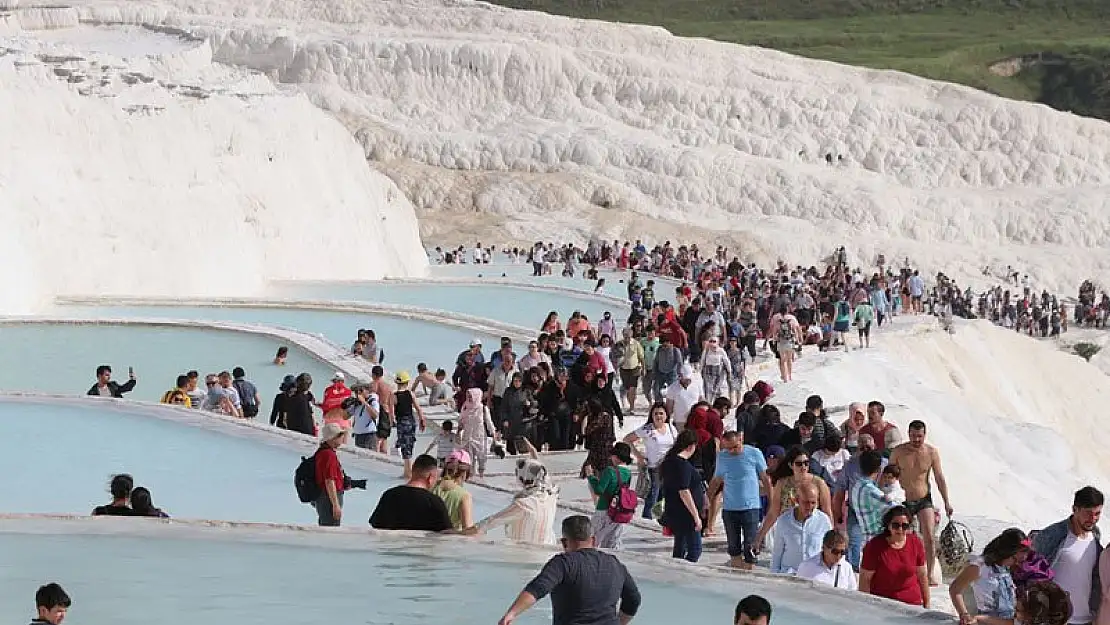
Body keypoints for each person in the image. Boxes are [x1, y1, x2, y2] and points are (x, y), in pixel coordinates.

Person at [497, 515, 641, 625]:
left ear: (564, 542)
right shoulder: (614, 564)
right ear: (594, 540)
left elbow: (538, 588)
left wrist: (511, 614)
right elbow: (634, 600)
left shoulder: (563, 563)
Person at [889, 419, 954, 585]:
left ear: (924, 435)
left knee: (930, 537)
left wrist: (947, 501)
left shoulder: (931, 452)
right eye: (913, 436)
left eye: (919, 436)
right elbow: (888, 474)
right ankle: (904, 571)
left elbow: (939, 477)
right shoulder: (898, 452)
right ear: (908, 434)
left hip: (924, 498)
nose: (916, 440)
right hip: (903, 500)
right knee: (903, 537)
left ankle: (930, 573)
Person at [1032, 486, 1103, 625]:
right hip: (1056, 619)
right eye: (1088, 513)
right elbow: (1031, 570)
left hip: (1087, 618)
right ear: (1075, 509)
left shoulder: (1095, 535)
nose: (1093, 519)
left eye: (1097, 514)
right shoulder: (1053, 535)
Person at [472, 439, 560, 545]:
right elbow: (541, 471)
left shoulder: (523, 504)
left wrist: (453, 533)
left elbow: (487, 524)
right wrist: (532, 450)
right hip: (549, 550)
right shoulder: (551, 494)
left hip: (525, 555)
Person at [710, 430, 770, 570]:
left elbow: (766, 479)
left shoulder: (754, 453)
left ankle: (749, 573)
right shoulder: (722, 457)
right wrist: (707, 498)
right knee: (733, 547)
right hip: (730, 508)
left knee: (750, 547)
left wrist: (772, 502)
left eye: (735, 447)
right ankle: (737, 575)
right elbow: (717, 479)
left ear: (741, 440)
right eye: (728, 448)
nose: (732, 451)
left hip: (750, 507)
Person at [949, 528, 1029, 625]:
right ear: (1006, 552)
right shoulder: (980, 566)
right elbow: (955, 589)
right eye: (1015, 559)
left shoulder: (1005, 568)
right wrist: (964, 614)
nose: (1016, 563)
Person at [860, 505, 929, 608]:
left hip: (912, 604)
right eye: (896, 525)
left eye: (905, 526)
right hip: (883, 605)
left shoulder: (915, 542)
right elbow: (865, 580)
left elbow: (922, 575)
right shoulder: (874, 546)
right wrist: (865, 607)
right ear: (888, 525)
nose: (900, 529)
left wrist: (927, 603)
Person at [623, 402, 677, 520]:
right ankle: (647, 518)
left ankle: (660, 517)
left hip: (669, 467)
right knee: (653, 493)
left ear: (666, 415)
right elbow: (627, 439)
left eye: (661, 413)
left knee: (664, 494)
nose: (659, 416)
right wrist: (639, 456)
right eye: (656, 413)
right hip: (654, 467)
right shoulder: (647, 429)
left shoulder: (671, 428)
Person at [369, 454, 452, 531]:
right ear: (430, 477)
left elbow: (375, 525)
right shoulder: (434, 502)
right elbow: (446, 533)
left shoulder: (389, 495)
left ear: (412, 471)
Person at [660, 429, 705, 562]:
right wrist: (696, 515)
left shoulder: (669, 461)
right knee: (695, 549)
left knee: (680, 547)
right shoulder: (682, 465)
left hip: (674, 510)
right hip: (685, 513)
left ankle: (677, 571)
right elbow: (684, 491)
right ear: (692, 446)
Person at [770, 482, 833, 574]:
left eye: (813, 503)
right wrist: (774, 576)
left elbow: (829, 551)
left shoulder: (824, 521)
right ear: (797, 500)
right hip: (789, 575)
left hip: (814, 576)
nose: (809, 507)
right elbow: (777, 554)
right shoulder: (783, 521)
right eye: (806, 502)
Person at [586, 442, 634, 550]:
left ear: (617, 457)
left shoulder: (610, 471)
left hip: (604, 508)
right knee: (611, 542)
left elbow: (599, 490)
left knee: (593, 538)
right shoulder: (628, 473)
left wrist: (590, 477)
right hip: (618, 511)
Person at [313, 422, 357, 527]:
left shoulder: (322, 452)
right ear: (332, 438)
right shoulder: (328, 455)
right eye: (340, 436)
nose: (342, 438)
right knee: (331, 527)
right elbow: (329, 480)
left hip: (323, 497)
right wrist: (335, 505)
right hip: (329, 497)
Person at [392, 370, 427, 479]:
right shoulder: (410, 394)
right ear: (407, 383)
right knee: (410, 444)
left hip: (402, 422)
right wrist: (422, 420)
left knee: (404, 446)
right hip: (411, 422)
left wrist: (392, 422)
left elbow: (391, 412)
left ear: (397, 383)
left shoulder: (394, 396)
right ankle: (408, 470)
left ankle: (408, 472)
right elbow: (418, 408)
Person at [431, 450, 474, 530]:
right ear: (465, 473)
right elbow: (468, 530)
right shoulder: (464, 496)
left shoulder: (431, 487)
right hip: (451, 540)